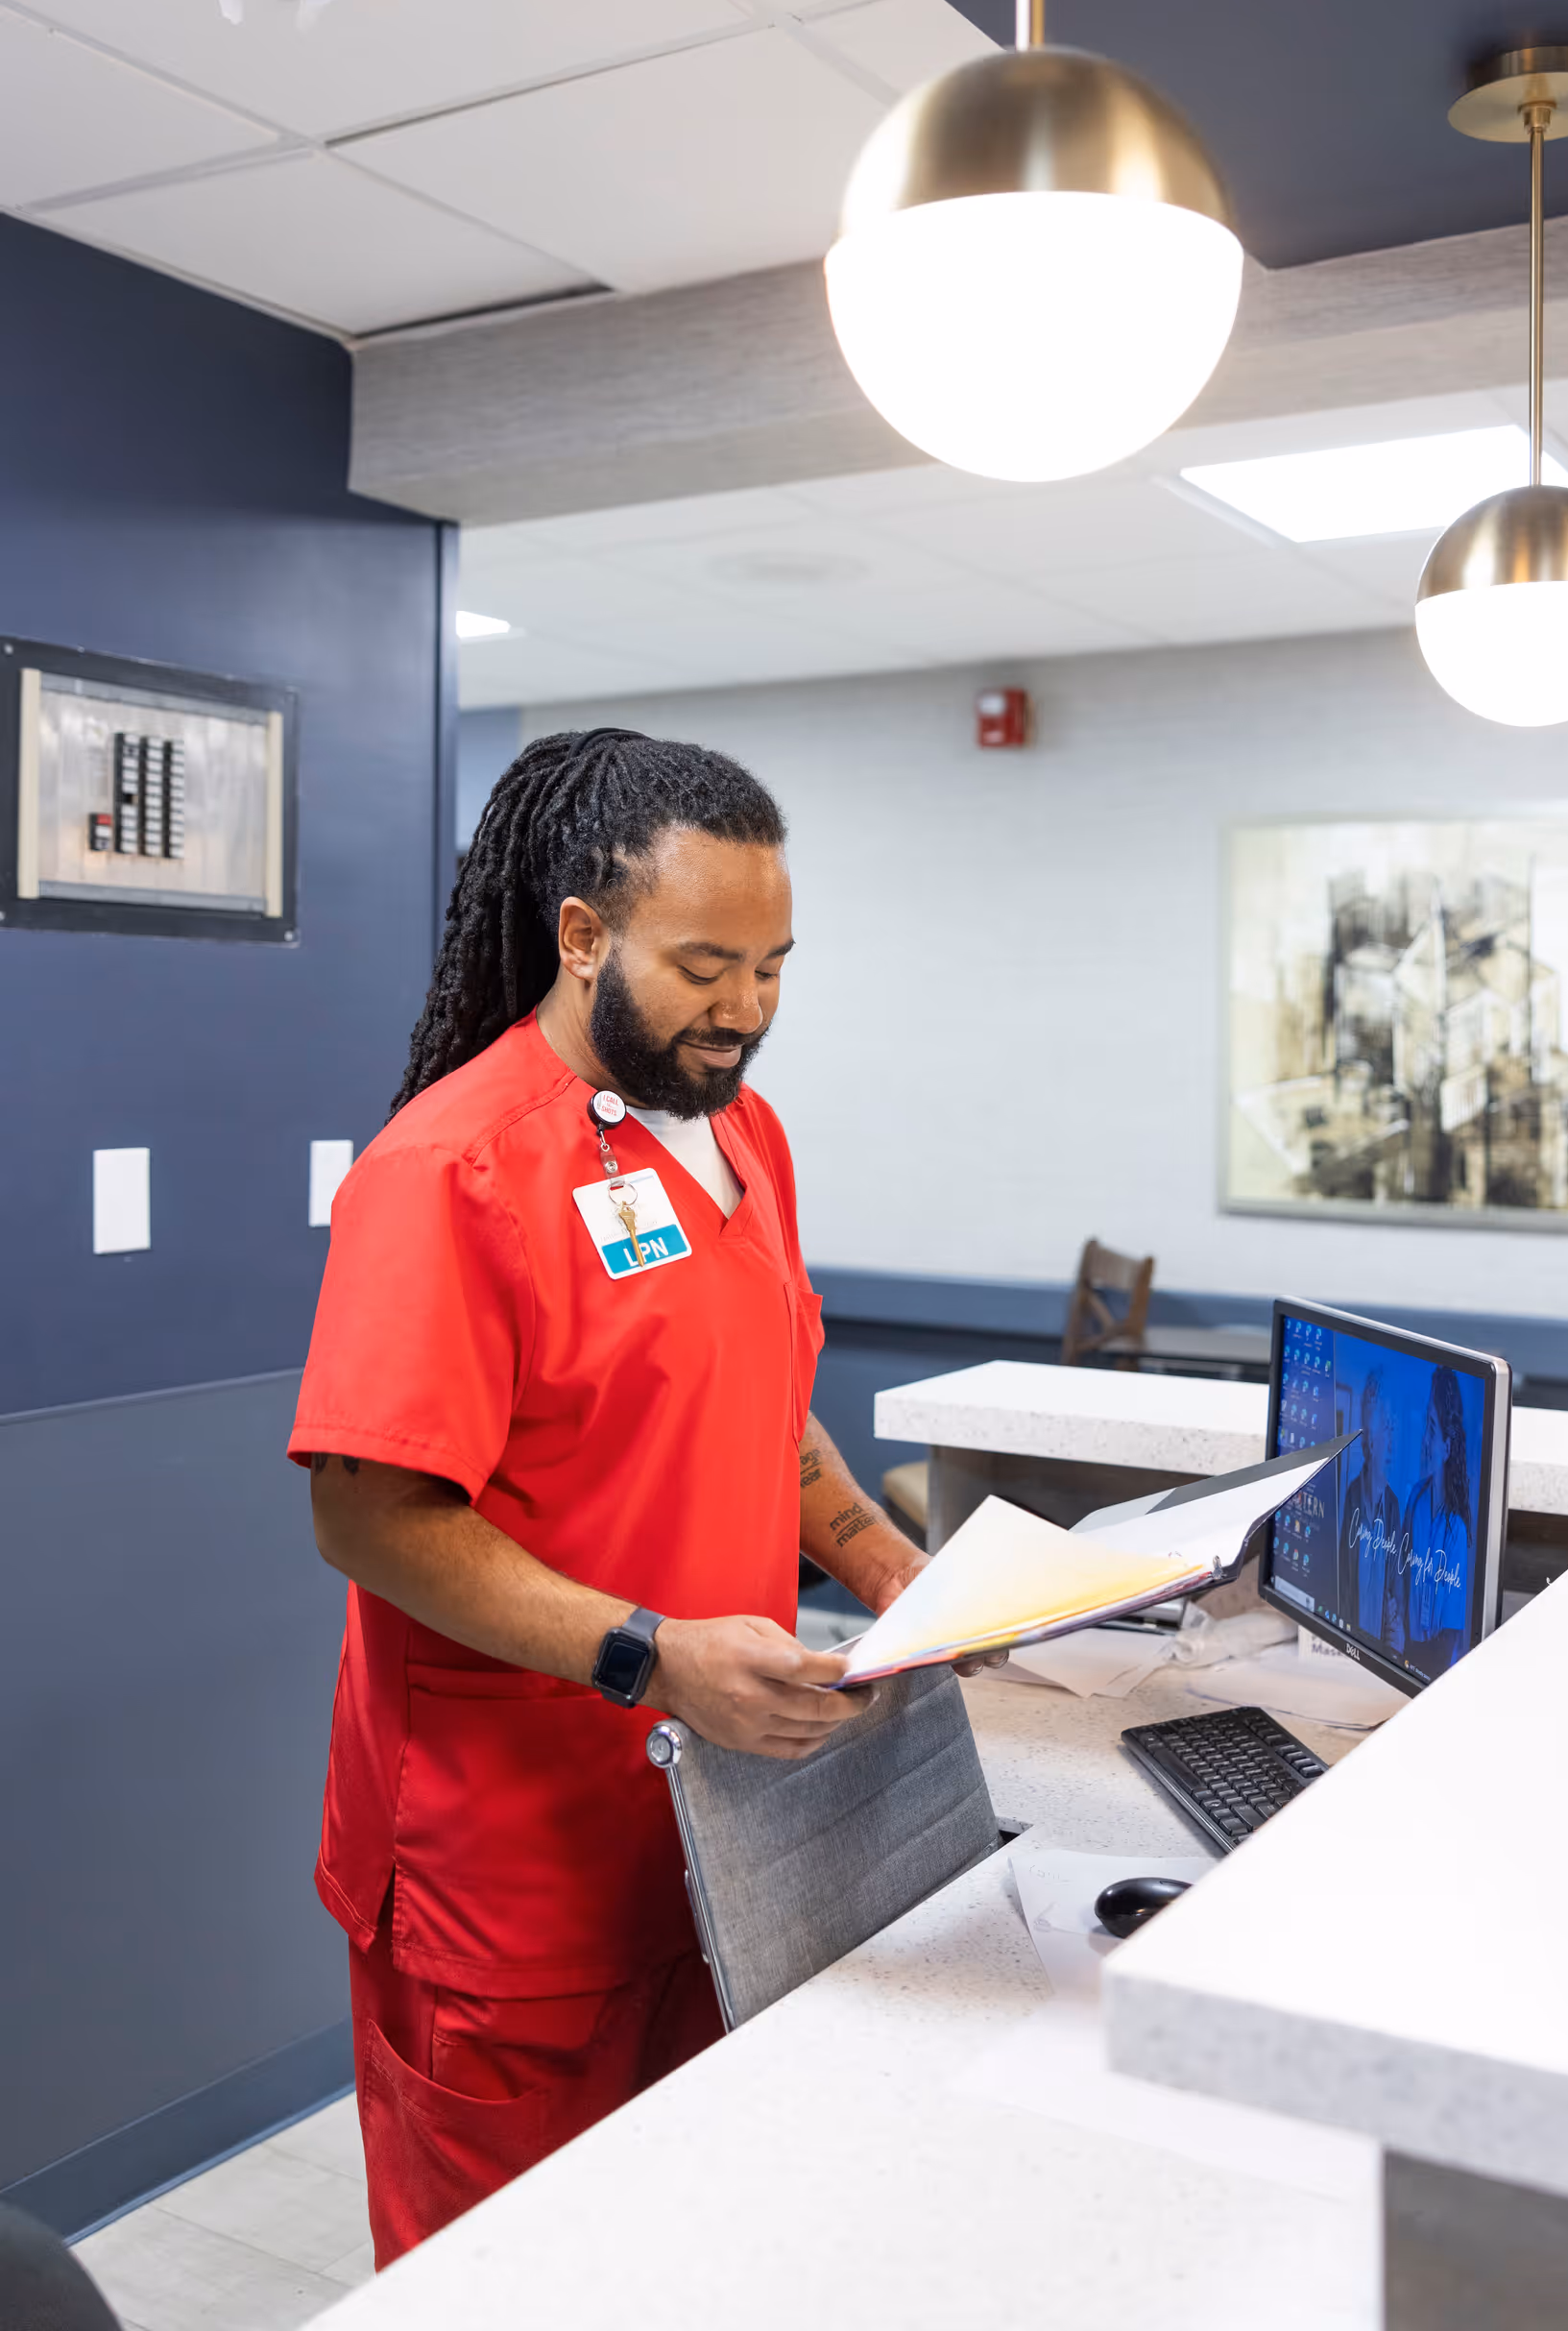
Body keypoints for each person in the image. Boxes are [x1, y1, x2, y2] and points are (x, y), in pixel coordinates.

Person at [288, 728, 932, 2268]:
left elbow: (759, 1417)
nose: (749, 1009)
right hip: (507, 1873)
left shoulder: (742, 1138)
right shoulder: (447, 1169)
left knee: (673, 2257)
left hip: (710, 1835)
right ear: (583, 936)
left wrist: (890, 1564)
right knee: (511, 2283)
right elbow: (369, 1517)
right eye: (707, 962)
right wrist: (655, 1655)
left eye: (776, 962)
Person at [1402, 1363, 1474, 1677]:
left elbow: (1450, 1634)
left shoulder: (1456, 1527)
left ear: (1446, 1447)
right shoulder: (1415, 1498)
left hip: (1433, 1667)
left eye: (1431, 1427)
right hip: (1404, 1650)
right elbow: (1401, 1578)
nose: (1424, 1439)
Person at [1337, 1369, 1405, 1656]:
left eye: (1393, 1425)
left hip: (1377, 1655)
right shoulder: (1349, 1497)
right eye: (1385, 1425)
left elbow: (1394, 1600)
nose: (1392, 1436)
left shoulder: (1393, 1507)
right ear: (1369, 1436)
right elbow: (1340, 1588)